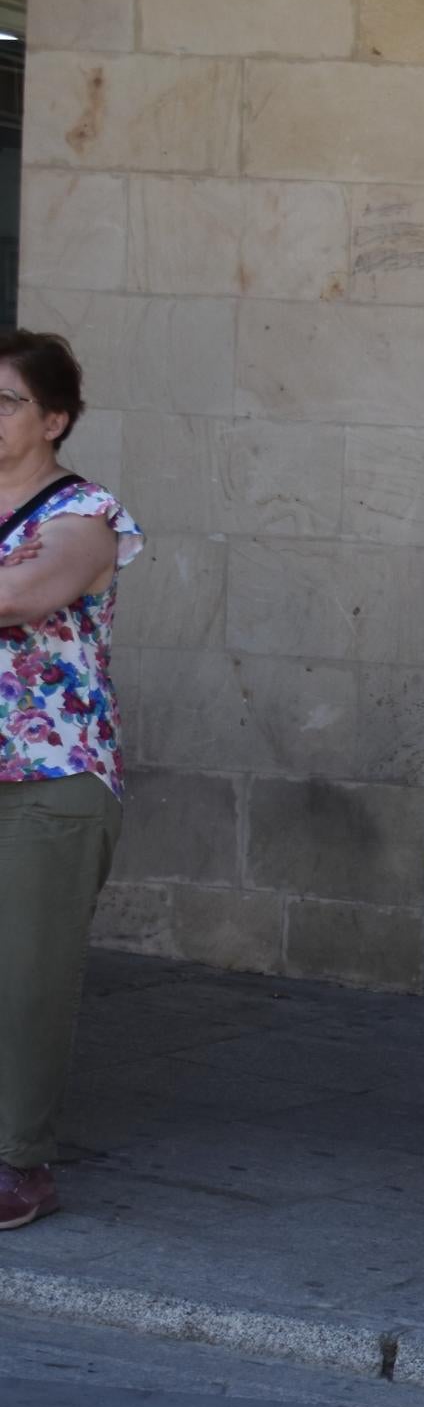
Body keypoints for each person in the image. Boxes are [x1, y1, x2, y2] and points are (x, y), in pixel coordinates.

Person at [0, 331, 140, 1234]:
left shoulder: (84, 512)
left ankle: (20, 1162)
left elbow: (25, 596)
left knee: (26, 978)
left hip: (48, 778)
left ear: (54, 419)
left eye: (7, 401)